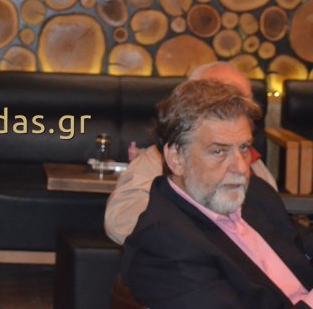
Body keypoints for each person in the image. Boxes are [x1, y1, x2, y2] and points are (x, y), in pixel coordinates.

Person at [121, 79, 313, 308]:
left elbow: (300, 242)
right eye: (219, 151)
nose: (241, 167)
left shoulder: (255, 193)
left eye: (244, 147)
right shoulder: (163, 247)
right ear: (176, 158)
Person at [104, 62, 277, 244]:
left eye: (243, 102)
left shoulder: (254, 164)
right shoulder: (160, 159)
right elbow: (120, 221)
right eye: (220, 100)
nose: (240, 167)